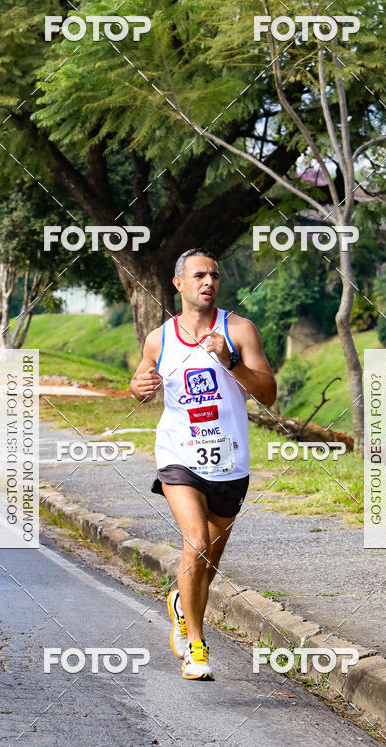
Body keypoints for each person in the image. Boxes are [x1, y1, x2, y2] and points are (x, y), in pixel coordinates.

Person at [130, 249, 277, 680]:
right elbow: (141, 384)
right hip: (179, 455)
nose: (208, 281)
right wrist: (138, 387)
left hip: (229, 461)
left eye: (213, 275)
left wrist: (230, 361)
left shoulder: (240, 330)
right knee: (194, 542)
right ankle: (197, 646)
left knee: (206, 563)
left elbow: (267, 394)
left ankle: (181, 602)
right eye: (199, 275)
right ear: (179, 284)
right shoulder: (159, 339)